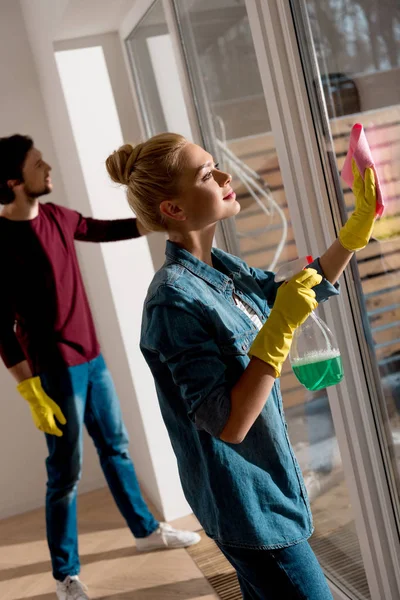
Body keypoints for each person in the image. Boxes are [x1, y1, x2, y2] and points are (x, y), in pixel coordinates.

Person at [106, 132, 377, 600]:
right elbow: (230, 424)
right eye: (208, 174)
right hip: (247, 508)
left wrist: (353, 234)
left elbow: (288, 296)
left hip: (269, 492)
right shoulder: (173, 301)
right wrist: (278, 331)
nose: (227, 178)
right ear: (174, 208)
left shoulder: (221, 269)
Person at [0, 134, 200, 600]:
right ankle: (65, 576)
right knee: (65, 473)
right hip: (54, 372)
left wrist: (160, 214)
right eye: (36, 164)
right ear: (13, 181)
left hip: (93, 358)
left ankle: (145, 531)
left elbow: (101, 229)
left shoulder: (56, 216)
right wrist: (30, 391)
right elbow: (2, 331)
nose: (47, 167)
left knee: (116, 448)